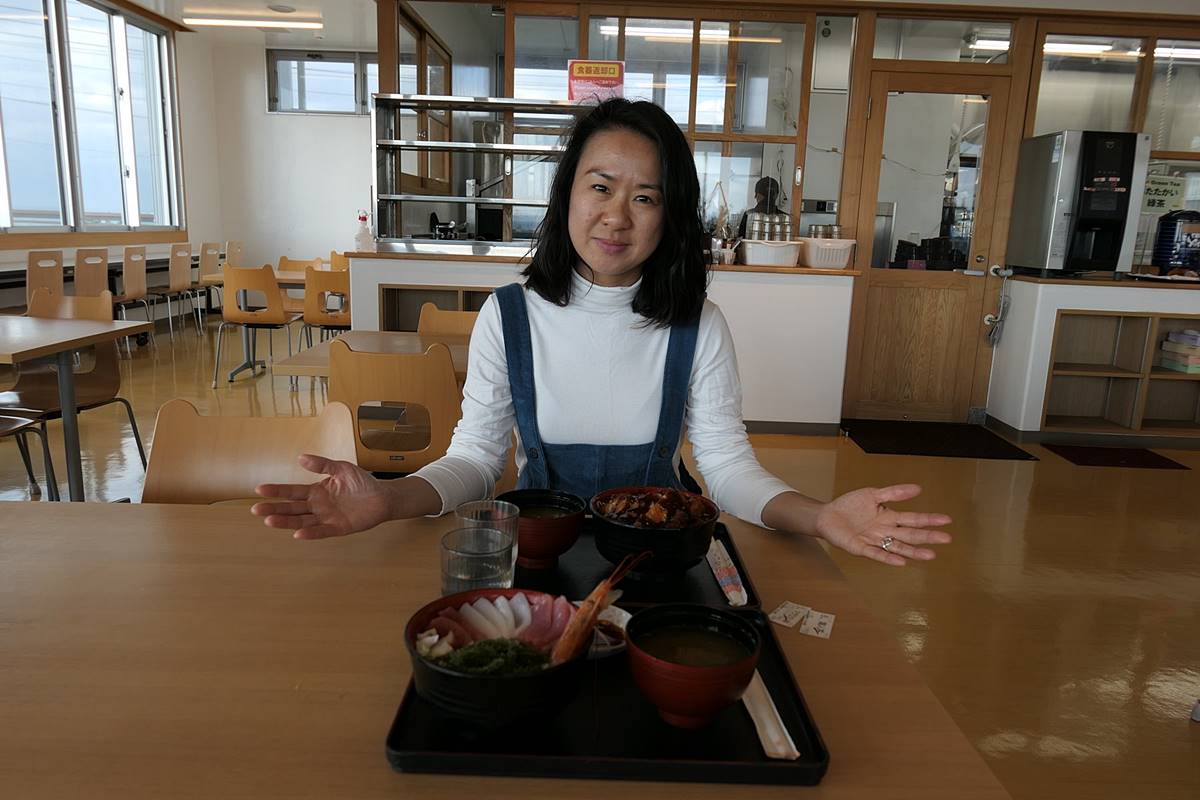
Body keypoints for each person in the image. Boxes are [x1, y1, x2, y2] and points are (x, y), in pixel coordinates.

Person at [252, 98, 951, 567]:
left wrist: (819, 516)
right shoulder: (509, 316)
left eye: (645, 197)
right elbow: (475, 461)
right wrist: (390, 497)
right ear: (567, 195)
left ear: (669, 217)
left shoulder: (698, 326)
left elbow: (727, 468)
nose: (618, 216)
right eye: (600, 186)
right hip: (539, 555)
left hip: (660, 561)